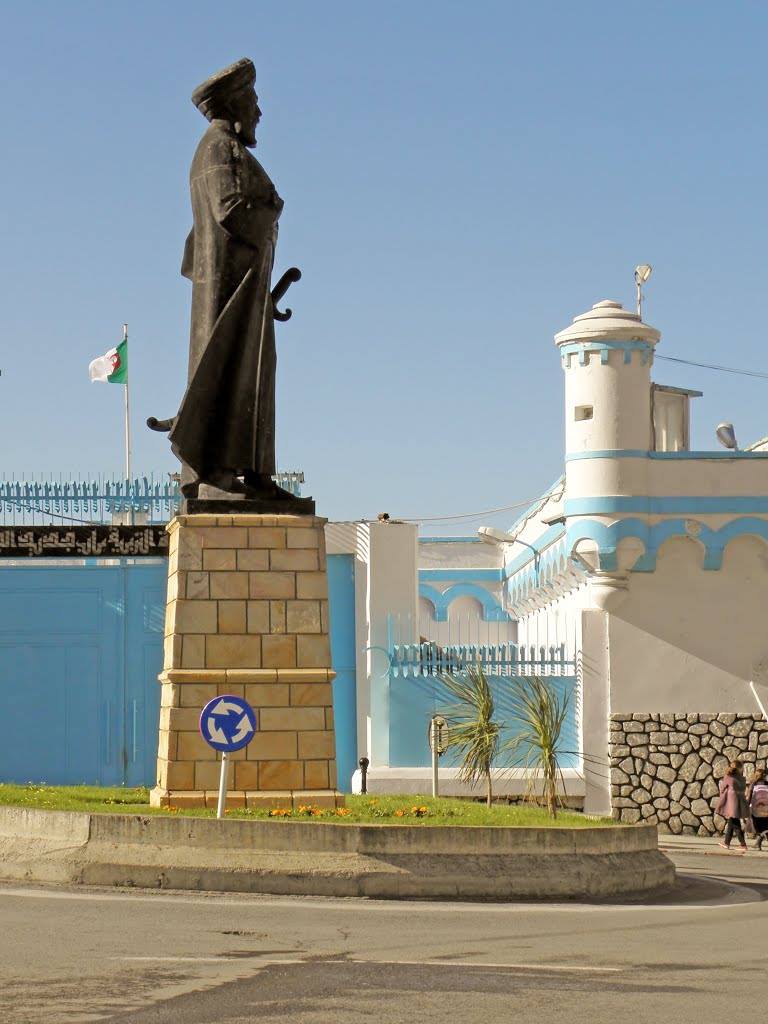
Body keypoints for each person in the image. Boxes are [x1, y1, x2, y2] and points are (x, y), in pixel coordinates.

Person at [716, 760, 749, 853]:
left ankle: (743, 844)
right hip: (740, 801)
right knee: (732, 821)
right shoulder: (742, 778)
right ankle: (726, 843)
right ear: (740, 768)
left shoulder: (728, 777)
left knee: (735, 822)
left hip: (731, 802)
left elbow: (722, 788)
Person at [747, 765, 768, 851]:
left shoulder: (753, 784)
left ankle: (757, 844)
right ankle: (757, 844)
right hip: (766, 809)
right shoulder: (767, 784)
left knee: (759, 828)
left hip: (755, 810)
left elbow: (749, 797)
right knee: (765, 827)